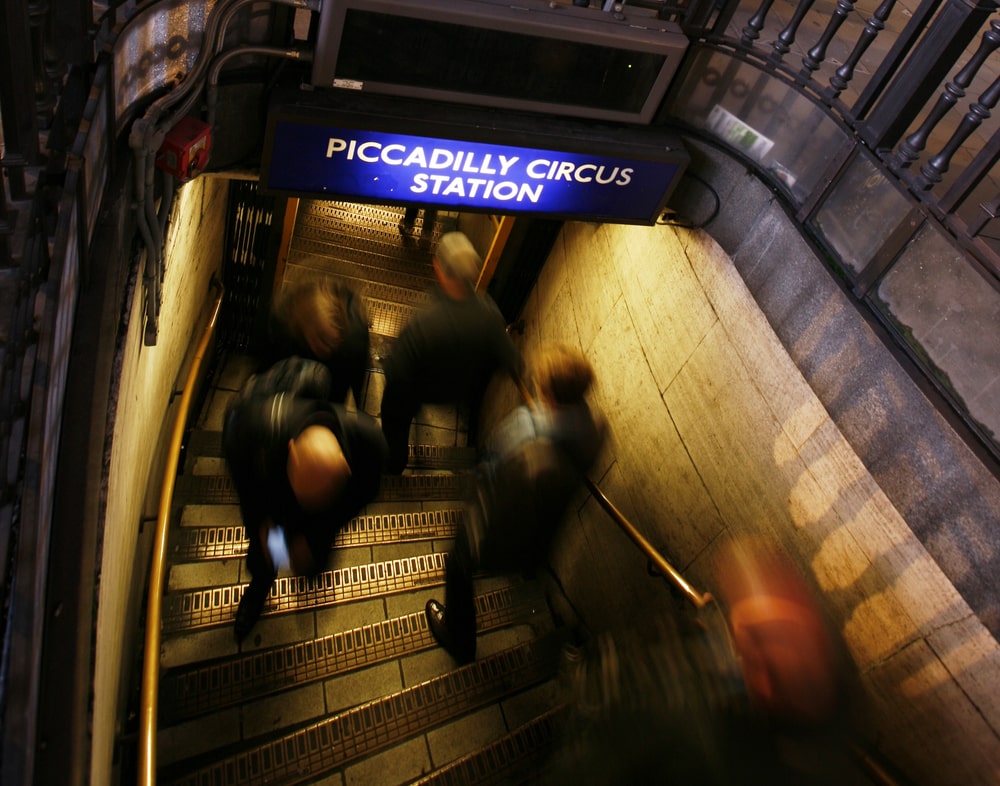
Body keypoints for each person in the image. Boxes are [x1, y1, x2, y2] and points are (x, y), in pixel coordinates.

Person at [424, 343, 606, 664]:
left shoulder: (526, 435)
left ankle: (459, 638)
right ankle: (528, 569)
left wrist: (473, 525)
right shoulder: (593, 428)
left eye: (539, 382)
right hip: (542, 532)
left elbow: (491, 480)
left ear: (548, 395)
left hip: (503, 525)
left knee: (457, 563)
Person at [222, 356, 388, 642]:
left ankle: (310, 576)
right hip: (274, 516)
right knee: (265, 556)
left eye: (318, 497)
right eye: (303, 493)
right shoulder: (255, 429)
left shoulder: (368, 445)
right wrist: (261, 525)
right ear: (291, 450)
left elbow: (366, 493)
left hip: (324, 524)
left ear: (345, 469)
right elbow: (246, 489)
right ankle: (259, 590)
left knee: (315, 558)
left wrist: (324, 531)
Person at [379, 230, 522, 474]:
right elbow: (512, 361)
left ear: (438, 268)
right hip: (452, 394)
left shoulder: (424, 323)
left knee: (395, 422)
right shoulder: (489, 314)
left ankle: (394, 465)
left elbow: (396, 373)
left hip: (413, 391)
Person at [264, 277, 371, 408]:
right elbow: (266, 372)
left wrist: (359, 410)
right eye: (322, 340)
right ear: (305, 326)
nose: (328, 349)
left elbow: (357, 379)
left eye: (333, 342)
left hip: (338, 372)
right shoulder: (284, 328)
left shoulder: (353, 340)